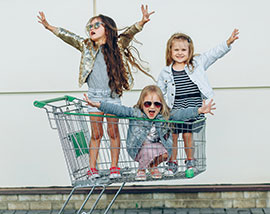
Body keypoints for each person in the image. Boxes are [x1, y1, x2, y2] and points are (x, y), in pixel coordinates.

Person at [37, 5, 155, 180]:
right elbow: (69, 37)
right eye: (90, 26)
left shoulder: (117, 45)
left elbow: (130, 33)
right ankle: (92, 168)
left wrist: (141, 22)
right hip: (93, 96)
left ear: (107, 28)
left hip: (112, 96)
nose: (91, 29)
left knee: (113, 132)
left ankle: (114, 166)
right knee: (96, 133)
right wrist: (50, 27)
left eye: (96, 25)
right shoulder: (86, 46)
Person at [83, 85, 216, 181]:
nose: (152, 107)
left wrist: (199, 110)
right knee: (148, 149)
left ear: (161, 106)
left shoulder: (165, 115)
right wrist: (98, 105)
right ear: (142, 104)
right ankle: (141, 169)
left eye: (156, 104)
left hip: (155, 147)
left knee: (166, 153)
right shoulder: (135, 113)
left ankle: (151, 166)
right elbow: (117, 109)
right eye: (148, 104)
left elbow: (181, 114)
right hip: (138, 147)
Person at [157, 29, 239, 176]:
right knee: (173, 136)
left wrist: (227, 43)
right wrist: (161, 107)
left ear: (190, 51)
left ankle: (190, 161)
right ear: (170, 51)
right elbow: (160, 91)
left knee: (188, 135)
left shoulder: (196, 64)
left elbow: (212, 54)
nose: (180, 53)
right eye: (176, 49)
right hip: (175, 110)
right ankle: (172, 162)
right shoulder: (165, 72)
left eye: (183, 50)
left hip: (193, 108)